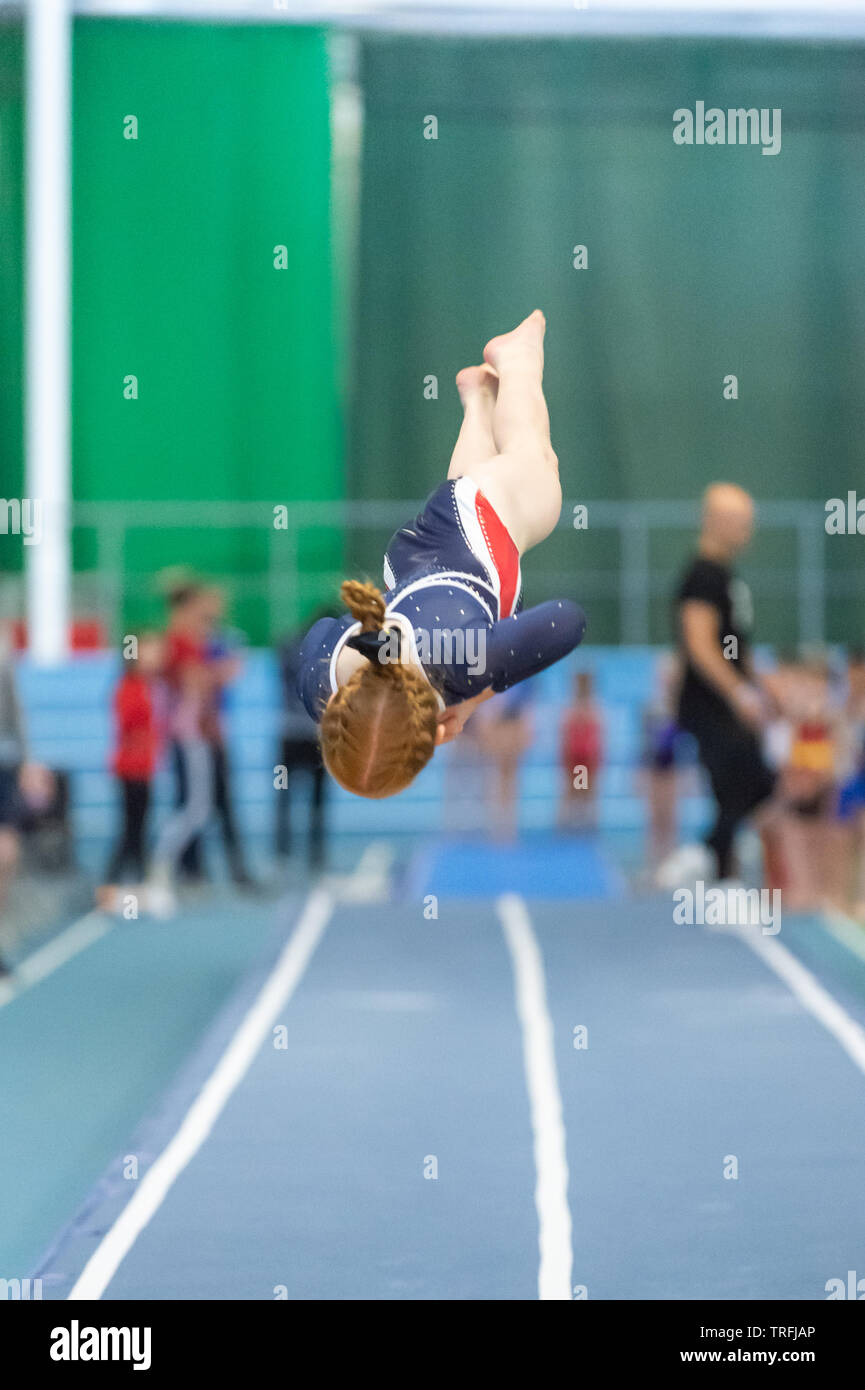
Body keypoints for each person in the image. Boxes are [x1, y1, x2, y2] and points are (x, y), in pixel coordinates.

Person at [297, 311, 586, 796]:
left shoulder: (460, 661)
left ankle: (514, 361)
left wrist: (474, 698)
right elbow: (322, 629)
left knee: (536, 464)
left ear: (432, 738)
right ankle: (478, 398)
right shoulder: (321, 684)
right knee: (476, 482)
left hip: (477, 531)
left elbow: (568, 619)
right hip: (415, 560)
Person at [660, 483, 781, 887]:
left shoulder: (727, 577)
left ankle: (711, 858)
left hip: (726, 701)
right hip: (707, 704)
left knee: (754, 784)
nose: (747, 532)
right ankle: (705, 861)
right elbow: (700, 644)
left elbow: (737, 647)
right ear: (715, 521)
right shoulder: (702, 576)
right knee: (741, 783)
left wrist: (764, 688)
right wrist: (740, 693)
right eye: (739, 523)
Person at [100, 632, 164, 892]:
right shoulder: (129, 687)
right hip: (130, 767)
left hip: (144, 766)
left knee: (139, 825)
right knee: (131, 826)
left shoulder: (149, 686)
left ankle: (134, 877)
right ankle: (114, 879)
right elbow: (127, 722)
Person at [276, 618, 330, 868]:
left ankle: (288, 848)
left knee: (289, 794)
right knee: (309, 797)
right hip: (309, 733)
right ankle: (309, 850)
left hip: (293, 732)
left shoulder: (289, 648)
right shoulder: (324, 652)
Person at [559, 670, 603, 831]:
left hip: (587, 756)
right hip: (575, 756)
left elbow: (597, 736)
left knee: (586, 790)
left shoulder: (594, 707)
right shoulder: (572, 708)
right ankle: (568, 823)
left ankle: (587, 823)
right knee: (573, 790)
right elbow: (565, 734)